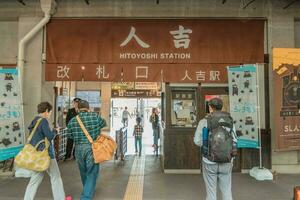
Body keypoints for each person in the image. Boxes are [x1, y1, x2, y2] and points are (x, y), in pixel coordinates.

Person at [194, 98, 237, 200]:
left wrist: (208, 146)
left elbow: (196, 141)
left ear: (210, 108)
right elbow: (234, 140)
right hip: (227, 160)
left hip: (209, 161)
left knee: (211, 192)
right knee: (227, 191)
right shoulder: (229, 120)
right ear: (221, 107)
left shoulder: (204, 121)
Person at [24, 102, 67, 200]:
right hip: (46, 154)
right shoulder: (43, 121)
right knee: (56, 177)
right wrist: (56, 131)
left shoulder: (34, 121)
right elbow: (50, 136)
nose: (50, 114)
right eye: (50, 112)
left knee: (35, 179)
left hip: (37, 154)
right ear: (46, 111)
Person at [67, 100, 106, 200]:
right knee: (92, 171)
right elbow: (104, 123)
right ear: (88, 108)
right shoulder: (94, 116)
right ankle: (86, 196)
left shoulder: (73, 121)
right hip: (92, 147)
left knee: (83, 171)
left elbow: (70, 136)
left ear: (77, 109)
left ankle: (87, 189)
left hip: (79, 149)